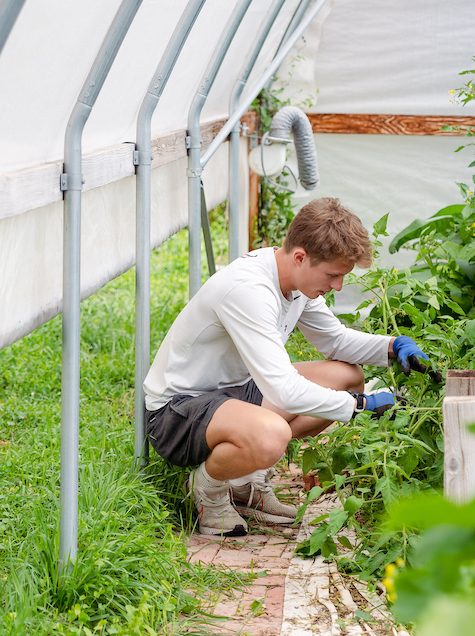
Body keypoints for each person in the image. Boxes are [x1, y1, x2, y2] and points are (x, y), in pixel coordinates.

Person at [143, 197, 429, 537]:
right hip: (178, 412)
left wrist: (394, 347)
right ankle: (209, 490)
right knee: (271, 435)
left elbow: (334, 341)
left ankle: (245, 480)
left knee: (347, 377)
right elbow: (284, 390)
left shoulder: (294, 281)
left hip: (233, 392)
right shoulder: (250, 290)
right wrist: (362, 406)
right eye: (334, 275)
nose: (337, 286)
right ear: (300, 257)